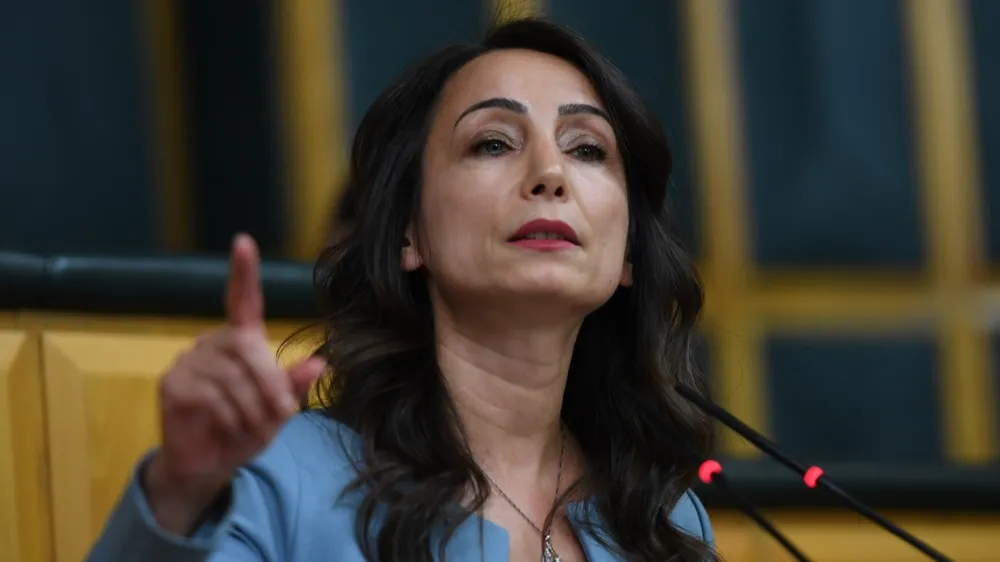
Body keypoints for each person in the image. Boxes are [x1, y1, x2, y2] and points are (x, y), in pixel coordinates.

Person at [85, 17, 716, 562]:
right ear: (408, 232)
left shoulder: (664, 517)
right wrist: (178, 492)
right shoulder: (283, 475)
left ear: (628, 251)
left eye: (587, 150)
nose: (550, 173)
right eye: (493, 142)